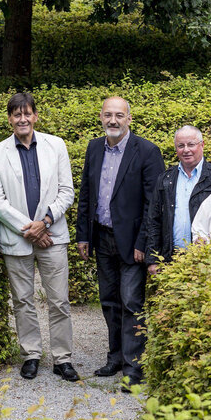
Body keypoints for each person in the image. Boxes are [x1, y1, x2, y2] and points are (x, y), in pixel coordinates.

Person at [0, 93, 79, 382]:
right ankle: (31, 354)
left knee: (59, 300)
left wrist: (46, 221)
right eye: (16, 114)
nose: (22, 119)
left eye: (27, 113)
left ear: (35, 116)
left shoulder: (56, 145)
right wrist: (32, 228)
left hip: (53, 234)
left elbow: (67, 191)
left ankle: (62, 357)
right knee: (23, 300)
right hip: (18, 239)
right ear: (10, 119)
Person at [75, 97, 164, 389]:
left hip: (132, 243)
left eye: (119, 115)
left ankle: (134, 368)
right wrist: (83, 235)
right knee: (109, 301)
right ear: (101, 117)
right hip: (101, 237)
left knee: (131, 302)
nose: (113, 120)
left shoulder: (148, 151)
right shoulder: (93, 147)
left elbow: (154, 204)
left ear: (129, 118)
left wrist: (145, 243)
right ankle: (114, 358)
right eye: (108, 115)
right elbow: (87, 193)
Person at [145, 125, 211, 272]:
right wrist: (153, 259)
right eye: (181, 146)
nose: (186, 150)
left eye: (191, 144)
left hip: (207, 260)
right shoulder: (166, 178)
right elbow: (154, 220)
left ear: (202, 145)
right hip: (171, 258)